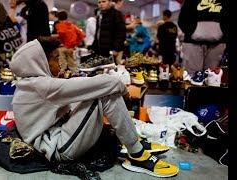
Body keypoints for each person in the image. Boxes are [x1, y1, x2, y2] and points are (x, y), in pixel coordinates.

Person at [9, 38, 179, 178]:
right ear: (38, 62)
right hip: (56, 149)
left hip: (54, 141)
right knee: (103, 93)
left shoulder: (30, 83)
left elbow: (76, 85)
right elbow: (109, 83)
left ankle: (133, 143)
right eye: (54, 58)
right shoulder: (42, 86)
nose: (58, 63)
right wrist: (124, 89)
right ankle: (136, 153)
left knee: (96, 91)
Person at [178, 0, 228, 76]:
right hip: (192, 43)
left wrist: (222, 32)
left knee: (212, 77)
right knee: (191, 76)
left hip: (217, 44)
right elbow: (182, 19)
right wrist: (193, 32)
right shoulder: (190, 1)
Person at [90, 0, 126, 65]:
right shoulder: (100, 15)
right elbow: (98, 33)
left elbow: (121, 33)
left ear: (110, 2)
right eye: (99, 2)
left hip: (113, 51)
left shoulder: (117, 14)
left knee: (115, 71)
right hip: (102, 50)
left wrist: (116, 49)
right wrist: (93, 47)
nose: (101, 4)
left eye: (104, 1)